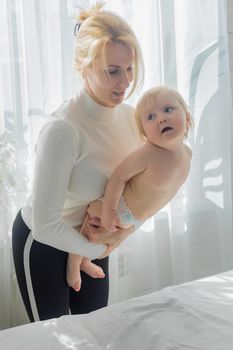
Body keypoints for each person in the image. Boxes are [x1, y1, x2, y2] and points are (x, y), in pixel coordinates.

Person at [12, 2, 144, 322]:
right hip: (43, 243)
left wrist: (107, 240)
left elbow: (144, 189)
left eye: (129, 68)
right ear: (85, 67)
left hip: (92, 241)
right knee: (52, 340)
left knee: (96, 332)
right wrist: (100, 249)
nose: (124, 81)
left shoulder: (133, 120)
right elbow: (46, 224)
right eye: (112, 71)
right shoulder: (63, 130)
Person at [67, 86, 193, 292]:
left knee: (105, 249)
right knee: (88, 231)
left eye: (168, 110)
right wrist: (109, 211)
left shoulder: (187, 155)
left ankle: (85, 261)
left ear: (187, 118)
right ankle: (74, 263)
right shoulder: (148, 153)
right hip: (117, 207)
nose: (161, 118)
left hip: (135, 219)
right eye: (151, 117)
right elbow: (119, 176)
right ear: (145, 133)